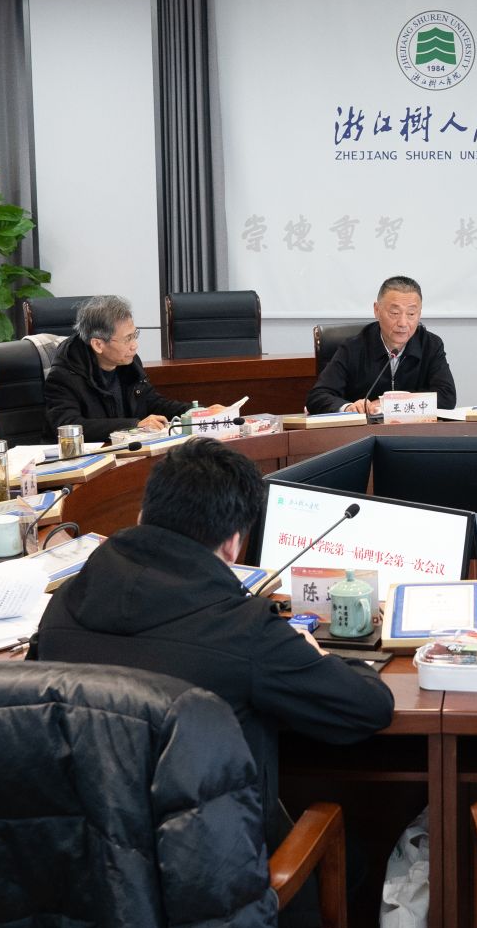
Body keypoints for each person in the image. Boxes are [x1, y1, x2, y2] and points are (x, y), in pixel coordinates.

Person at [34, 436, 395, 846]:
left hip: (82, 860)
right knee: (357, 854)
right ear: (232, 544)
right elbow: (368, 707)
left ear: (141, 516)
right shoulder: (245, 629)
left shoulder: (62, 606)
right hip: (209, 869)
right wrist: (317, 654)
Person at [44, 293, 223, 440]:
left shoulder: (128, 362)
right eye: (127, 339)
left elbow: (152, 403)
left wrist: (197, 413)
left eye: (134, 335)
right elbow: (67, 425)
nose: (134, 345)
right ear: (98, 344)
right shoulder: (65, 375)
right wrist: (134, 426)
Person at [306, 275, 457, 415]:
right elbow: (317, 397)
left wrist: (389, 403)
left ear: (420, 313)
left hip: (413, 431)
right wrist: (349, 407)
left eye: (411, 314)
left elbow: (447, 397)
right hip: (364, 432)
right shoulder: (353, 348)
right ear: (377, 310)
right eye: (394, 313)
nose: (403, 323)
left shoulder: (430, 345)